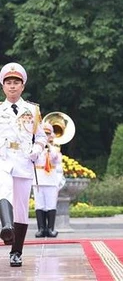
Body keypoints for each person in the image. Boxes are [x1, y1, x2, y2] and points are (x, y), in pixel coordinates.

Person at [0, 62, 47, 267]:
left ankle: (16, 251)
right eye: (8, 82)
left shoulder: (32, 110)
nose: (12, 86)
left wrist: (36, 151)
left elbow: (41, 137)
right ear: (3, 86)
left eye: (16, 82)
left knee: (21, 209)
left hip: (23, 161)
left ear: (22, 86)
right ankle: (7, 228)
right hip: (2, 159)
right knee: (3, 191)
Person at [32, 122, 64, 238]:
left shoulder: (55, 147)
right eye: (44, 133)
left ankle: (51, 229)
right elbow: (32, 157)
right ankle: (41, 228)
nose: (46, 135)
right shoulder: (35, 146)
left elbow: (55, 158)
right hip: (39, 179)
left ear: (52, 135)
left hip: (51, 180)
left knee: (51, 205)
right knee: (39, 204)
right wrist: (40, 145)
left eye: (48, 133)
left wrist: (49, 145)